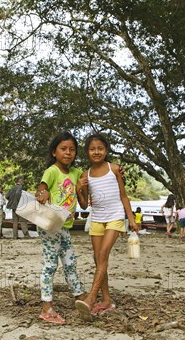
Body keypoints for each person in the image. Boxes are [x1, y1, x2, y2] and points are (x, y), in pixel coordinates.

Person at [75, 134, 139, 321]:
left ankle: (91, 299)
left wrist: (131, 218)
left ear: (106, 150)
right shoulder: (85, 175)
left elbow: (124, 196)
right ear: (87, 152)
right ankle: (107, 300)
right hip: (97, 218)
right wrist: (79, 188)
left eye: (100, 148)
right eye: (92, 149)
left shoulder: (115, 169)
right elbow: (85, 205)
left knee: (103, 255)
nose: (97, 152)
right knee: (98, 259)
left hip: (115, 217)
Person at [35, 131, 86, 325]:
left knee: (70, 262)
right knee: (50, 265)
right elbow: (41, 188)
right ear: (54, 152)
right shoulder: (52, 171)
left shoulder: (76, 173)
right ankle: (47, 307)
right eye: (63, 149)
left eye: (72, 149)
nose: (68, 153)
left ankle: (78, 297)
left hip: (65, 227)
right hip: (50, 225)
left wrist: (80, 186)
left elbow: (82, 204)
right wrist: (43, 193)